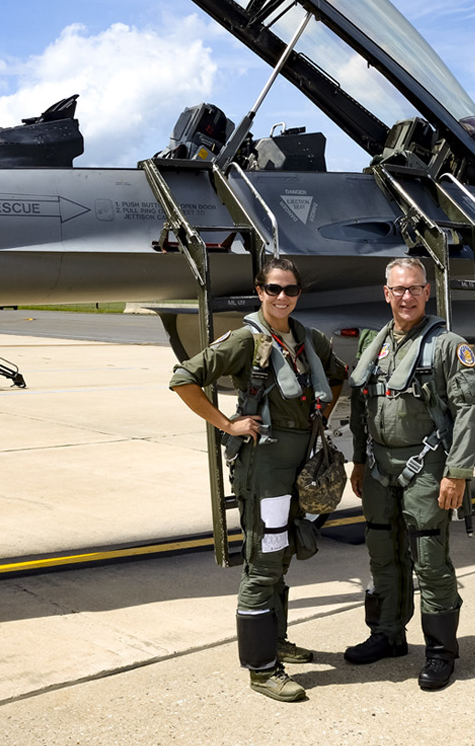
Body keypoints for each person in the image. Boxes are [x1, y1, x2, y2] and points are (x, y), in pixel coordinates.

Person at [169, 255, 346, 703]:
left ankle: (275, 640)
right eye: (273, 289)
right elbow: (184, 378)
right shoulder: (246, 340)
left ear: (298, 293)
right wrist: (228, 425)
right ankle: (262, 669)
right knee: (264, 561)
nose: (282, 297)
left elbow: (337, 378)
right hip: (264, 468)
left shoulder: (309, 340)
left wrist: (320, 417)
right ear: (259, 291)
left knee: (283, 554)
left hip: (300, 464)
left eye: (290, 289)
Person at [338, 257, 475, 691]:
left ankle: (441, 652)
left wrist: (457, 472)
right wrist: (359, 460)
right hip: (378, 467)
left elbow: (469, 409)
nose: (407, 297)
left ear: (427, 292)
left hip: (427, 466)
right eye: (399, 289)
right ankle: (387, 634)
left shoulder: (447, 346)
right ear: (387, 294)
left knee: (429, 559)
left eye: (415, 288)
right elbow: (363, 406)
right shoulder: (375, 345)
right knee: (382, 553)